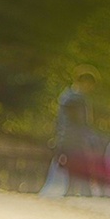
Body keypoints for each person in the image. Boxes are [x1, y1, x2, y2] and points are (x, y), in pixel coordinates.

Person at [39, 64, 102, 197]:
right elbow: (77, 124)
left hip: (71, 141)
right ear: (83, 82)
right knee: (78, 173)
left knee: (74, 173)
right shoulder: (74, 98)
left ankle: (77, 196)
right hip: (73, 142)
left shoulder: (68, 96)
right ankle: (83, 197)